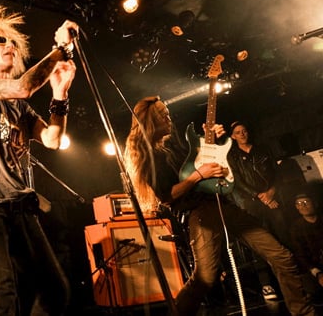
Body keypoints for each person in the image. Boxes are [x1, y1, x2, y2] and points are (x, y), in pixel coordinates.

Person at [123, 96, 315, 316]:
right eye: (163, 115)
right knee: (205, 279)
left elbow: (199, 162)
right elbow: (167, 196)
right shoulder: (149, 155)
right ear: (150, 120)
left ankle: (304, 312)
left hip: (221, 204)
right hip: (200, 214)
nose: (169, 118)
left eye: (167, 114)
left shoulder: (172, 146)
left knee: (283, 257)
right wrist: (198, 176)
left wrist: (210, 141)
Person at [0, 5, 77, 315]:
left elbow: (53, 139)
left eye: (13, 42)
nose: (9, 45)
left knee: (54, 292)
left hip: (19, 204)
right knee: (0, 296)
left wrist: (60, 95)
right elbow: (24, 87)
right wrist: (60, 50)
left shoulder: (18, 107)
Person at [227, 120, 288, 300]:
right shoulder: (232, 156)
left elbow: (277, 173)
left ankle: (290, 278)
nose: (242, 134)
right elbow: (237, 180)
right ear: (233, 136)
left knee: (281, 236)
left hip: (272, 199)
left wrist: (271, 192)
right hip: (251, 203)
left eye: (244, 130)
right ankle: (266, 284)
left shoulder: (262, 149)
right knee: (259, 242)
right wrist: (260, 196)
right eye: (238, 132)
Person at [289, 191, 323, 304]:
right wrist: (317, 273)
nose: (303, 206)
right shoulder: (296, 228)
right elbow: (300, 253)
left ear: (314, 203)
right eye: (299, 203)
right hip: (313, 268)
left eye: (305, 202)